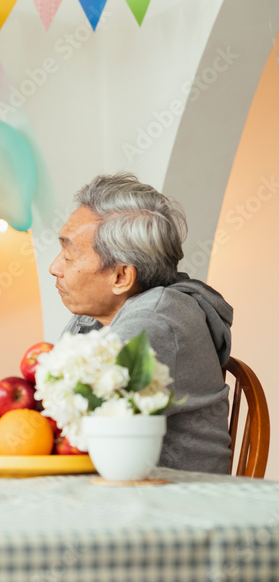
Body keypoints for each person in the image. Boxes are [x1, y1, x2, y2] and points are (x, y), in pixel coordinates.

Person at [50, 172, 233, 473]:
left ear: (121, 277)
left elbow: (58, 430)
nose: (54, 267)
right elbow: (44, 419)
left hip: (176, 507)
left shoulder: (155, 322)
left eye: (69, 256)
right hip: (118, 491)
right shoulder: (94, 318)